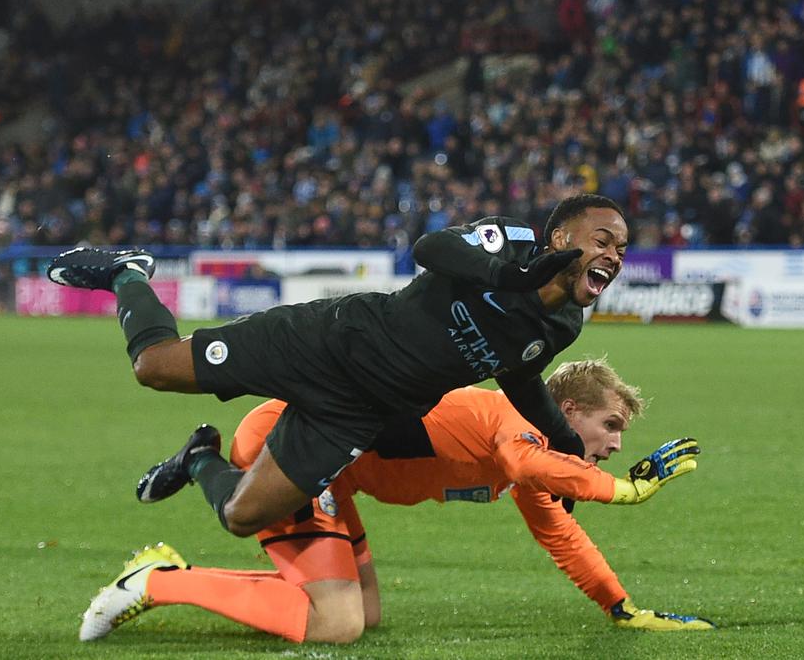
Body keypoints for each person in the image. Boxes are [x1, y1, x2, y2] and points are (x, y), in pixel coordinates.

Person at [46, 194, 628, 539]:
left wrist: (565, 445)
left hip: (358, 413)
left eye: (621, 250)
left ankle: (199, 458)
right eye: (603, 239)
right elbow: (430, 248)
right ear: (560, 235)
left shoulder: (564, 326)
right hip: (331, 343)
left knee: (243, 515)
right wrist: (509, 277)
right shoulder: (512, 243)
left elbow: (520, 378)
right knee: (155, 365)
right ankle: (128, 270)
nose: (613, 255)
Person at [78, 360, 712, 643]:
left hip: (335, 474)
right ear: (568, 411)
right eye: (609, 428)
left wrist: (620, 607)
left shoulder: (540, 460)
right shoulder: (512, 419)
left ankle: (195, 481)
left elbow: (559, 534)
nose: (614, 444)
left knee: (365, 612)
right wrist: (626, 490)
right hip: (293, 450)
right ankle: (157, 581)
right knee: (336, 623)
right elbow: (522, 460)